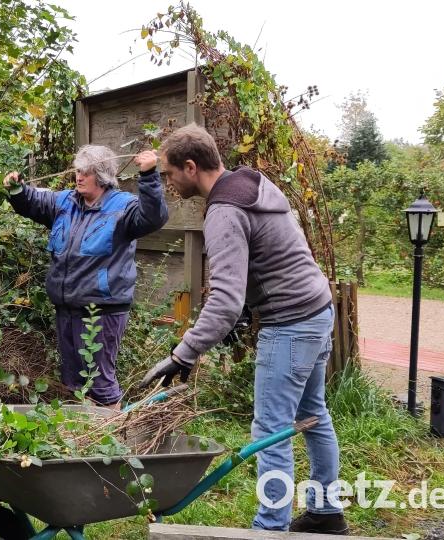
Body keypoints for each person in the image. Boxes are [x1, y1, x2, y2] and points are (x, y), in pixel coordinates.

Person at [139, 124, 347, 534]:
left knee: (272, 430)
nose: (168, 183)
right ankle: (326, 512)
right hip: (318, 309)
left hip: (289, 322)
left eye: (169, 174)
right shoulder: (251, 183)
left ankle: (270, 528)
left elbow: (226, 300)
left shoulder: (224, 212)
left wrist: (184, 351)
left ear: (191, 166)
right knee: (313, 414)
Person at [3, 145, 168, 409]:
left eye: (86, 173)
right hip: (67, 308)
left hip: (101, 310)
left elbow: (153, 217)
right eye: (78, 170)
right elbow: (34, 201)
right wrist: (16, 189)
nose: (79, 177)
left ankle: (113, 436)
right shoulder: (65, 202)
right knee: (74, 381)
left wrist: (149, 176)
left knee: (99, 382)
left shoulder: (123, 207)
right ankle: (86, 437)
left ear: (102, 176)